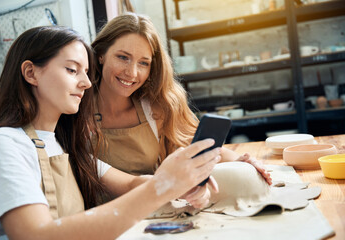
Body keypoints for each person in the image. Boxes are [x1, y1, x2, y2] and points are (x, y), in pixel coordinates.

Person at [0, 26, 221, 240]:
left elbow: (130, 184)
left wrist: (182, 183)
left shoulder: (63, 145)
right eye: (72, 70)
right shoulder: (4, 143)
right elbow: (34, 235)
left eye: (87, 72)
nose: (87, 83)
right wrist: (160, 187)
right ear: (30, 73)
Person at [91, 13, 271, 184]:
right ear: (101, 55)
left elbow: (200, 148)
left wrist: (241, 161)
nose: (132, 73)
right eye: (123, 57)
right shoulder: (76, 108)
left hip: (151, 208)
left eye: (143, 63)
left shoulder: (155, 108)